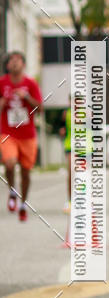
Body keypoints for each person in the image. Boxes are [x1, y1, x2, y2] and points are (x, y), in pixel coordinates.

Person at [0, 51, 43, 222]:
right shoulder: (2, 83)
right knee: (9, 164)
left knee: (26, 172)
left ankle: (23, 204)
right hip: (8, 133)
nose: (14, 63)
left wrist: (27, 97)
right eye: (11, 60)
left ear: (23, 64)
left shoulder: (30, 84)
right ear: (8, 65)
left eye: (18, 60)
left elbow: (40, 108)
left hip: (27, 135)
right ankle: (12, 191)